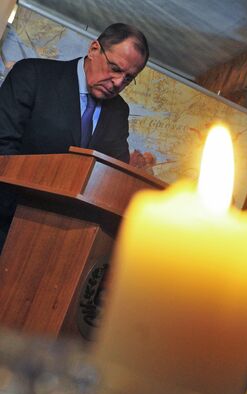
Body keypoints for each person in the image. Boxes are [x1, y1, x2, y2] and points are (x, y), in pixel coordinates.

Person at [0, 23, 149, 250]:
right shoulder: (33, 74)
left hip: (63, 242)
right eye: (115, 69)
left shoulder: (119, 111)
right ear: (94, 49)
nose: (118, 83)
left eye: (128, 78)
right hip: (7, 219)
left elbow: (111, 175)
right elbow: (3, 147)